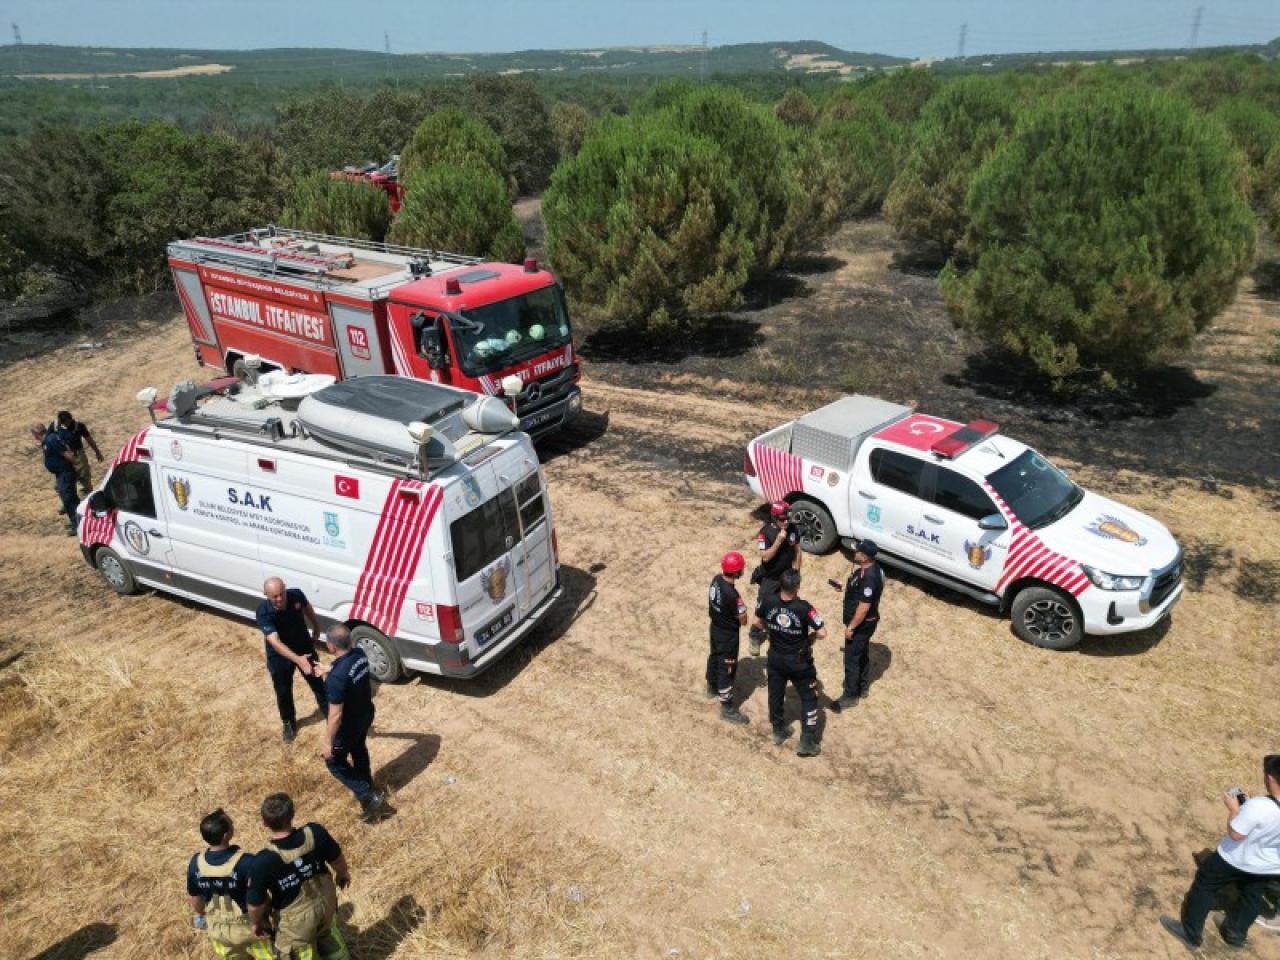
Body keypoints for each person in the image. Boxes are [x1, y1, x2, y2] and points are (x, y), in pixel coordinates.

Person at [1162, 755, 1280, 950]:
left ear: (1270, 778)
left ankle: (1190, 934)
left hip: (1235, 859)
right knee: (1252, 896)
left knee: (1205, 885)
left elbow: (1235, 833)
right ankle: (1235, 935)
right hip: (1268, 866)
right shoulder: (1259, 806)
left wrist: (1234, 810)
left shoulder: (1259, 806)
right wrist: (1248, 809)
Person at [247, 793, 351, 960]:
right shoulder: (315, 833)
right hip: (327, 905)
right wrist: (342, 873)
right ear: (293, 814)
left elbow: (255, 906)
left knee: (300, 953)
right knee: (330, 938)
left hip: (296, 926)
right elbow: (337, 859)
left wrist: (256, 923)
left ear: (265, 823)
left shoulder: (263, 861)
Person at [753, 569, 827, 757]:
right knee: (810, 697)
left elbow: (757, 623)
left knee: (776, 694)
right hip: (798, 662)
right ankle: (806, 742)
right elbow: (822, 633)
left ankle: (778, 731)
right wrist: (811, 637)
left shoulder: (767, 600)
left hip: (775, 657)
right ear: (797, 587)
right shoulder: (804, 608)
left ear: (781, 584)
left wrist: (773, 628)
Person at [316, 626, 386, 822]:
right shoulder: (360, 654)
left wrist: (328, 743)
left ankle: (367, 794)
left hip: (348, 725)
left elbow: (335, 715)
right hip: (365, 714)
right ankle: (368, 788)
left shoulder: (336, 679)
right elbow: (346, 668)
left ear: (331, 646)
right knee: (358, 749)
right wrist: (328, 669)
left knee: (334, 762)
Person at [187, 808, 271, 959]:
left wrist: (202, 915)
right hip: (249, 930)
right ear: (226, 835)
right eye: (231, 824)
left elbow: (196, 900)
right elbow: (259, 899)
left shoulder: (196, 863)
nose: (233, 825)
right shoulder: (246, 861)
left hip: (219, 932)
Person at [256, 577, 328, 742]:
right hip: (279, 657)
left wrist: (316, 626)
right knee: (283, 691)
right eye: (275, 596)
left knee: (319, 684)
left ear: (285, 588)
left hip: (304, 647)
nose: (280, 598)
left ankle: (331, 715)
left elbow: (307, 608)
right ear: (266, 594)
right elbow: (275, 642)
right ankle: (288, 722)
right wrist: (298, 660)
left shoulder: (296, 595)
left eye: (282, 593)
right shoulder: (263, 612)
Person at [831, 540, 885, 713]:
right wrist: (844, 588)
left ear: (865, 557)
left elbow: (863, 608)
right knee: (860, 654)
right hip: (866, 622)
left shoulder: (870, 578)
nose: (854, 553)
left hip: (862, 624)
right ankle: (862, 687)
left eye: (857, 551)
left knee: (852, 659)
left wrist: (851, 627)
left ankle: (850, 695)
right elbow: (859, 591)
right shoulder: (868, 570)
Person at [749, 501, 802, 656]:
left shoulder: (792, 528)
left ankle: (777, 632)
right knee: (761, 610)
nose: (786, 522)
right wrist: (779, 540)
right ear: (774, 517)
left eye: (787, 519)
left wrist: (796, 572)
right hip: (770, 578)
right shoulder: (765, 532)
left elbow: (798, 551)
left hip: (786, 577)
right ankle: (754, 635)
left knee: (785, 606)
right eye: (782, 519)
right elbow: (765, 557)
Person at [705, 551, 750, 726]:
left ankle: (712, 686)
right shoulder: (733, 595)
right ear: (737, 571)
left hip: (715, 628)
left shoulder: (716, 579)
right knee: (727, 668)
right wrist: (743, 613)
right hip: (728, 635)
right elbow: (743, 620)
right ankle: (727, 708)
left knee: (715, 656)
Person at [30, 422, 79, 536]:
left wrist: (76, 463)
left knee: (69, 499)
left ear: (36, 434)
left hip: (65, 473)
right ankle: (75, 521)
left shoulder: (51, 439)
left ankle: (78, 525)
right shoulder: (48, 440)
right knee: (69, 499)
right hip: (61, 474)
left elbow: (66, 453)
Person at [55, 410, 103, 500]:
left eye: (65, 422)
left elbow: (89, 440)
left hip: (78, 455)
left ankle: (88, 499)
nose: (64, 424)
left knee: (84, 478)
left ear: (70, 419)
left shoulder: (79, 426)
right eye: (62, 422)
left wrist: (97, 452)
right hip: (64, 456)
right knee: (62, 482)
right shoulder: (56, 428)